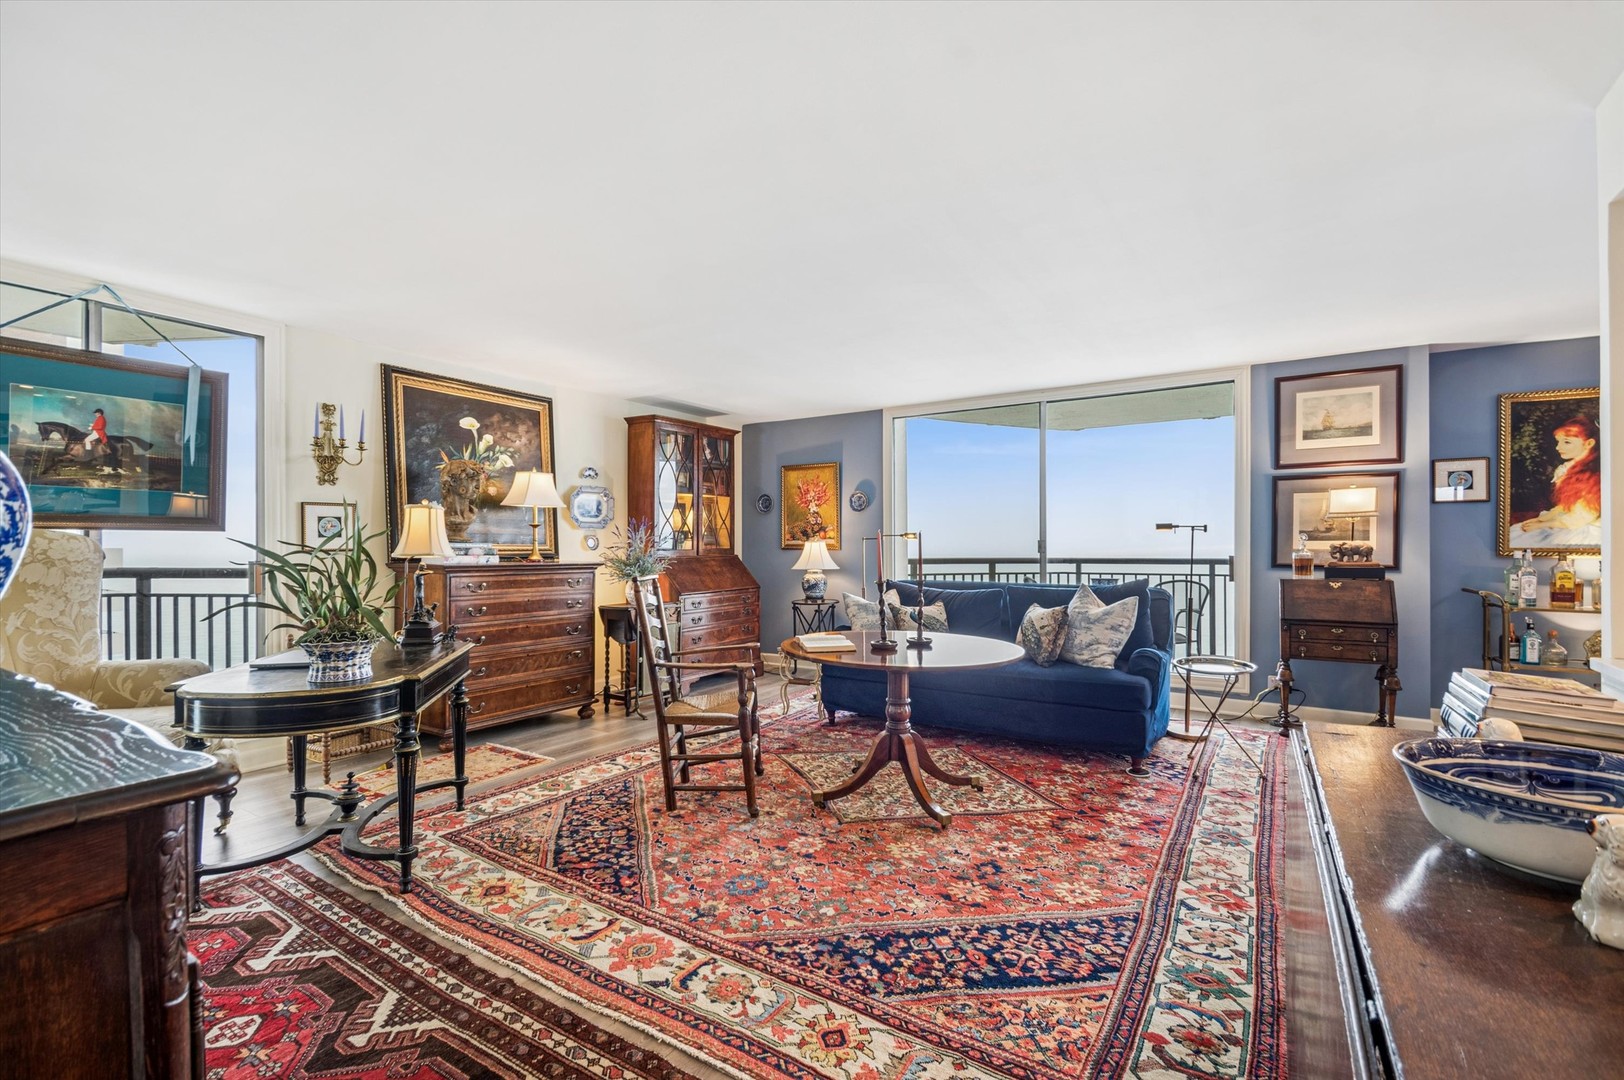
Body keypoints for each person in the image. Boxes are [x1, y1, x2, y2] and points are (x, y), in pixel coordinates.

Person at [1509, 414, 1601, 547]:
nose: (1558, 447)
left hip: (1583, 527)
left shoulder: (1594, 475)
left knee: (1526, 540)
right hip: (1567, 521)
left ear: (1589, 443)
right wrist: (1540, 519)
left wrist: (1545, 524)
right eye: (1558, 442)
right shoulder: (1567, 469)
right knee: (1517, 534)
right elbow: (1566, 507)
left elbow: (1582, 517)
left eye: (1567, 442)